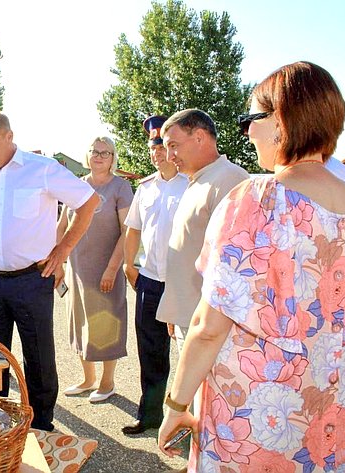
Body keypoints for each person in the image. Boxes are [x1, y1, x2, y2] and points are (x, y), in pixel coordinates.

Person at [158, 61, 345, 472]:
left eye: (253, 118)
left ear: (281, 120)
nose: (247, 130)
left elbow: (209, 326)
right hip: (339, 416)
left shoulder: (259, 199)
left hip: (259, 422)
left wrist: (176, 404)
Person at [0, 110, 99, 431]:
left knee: (38, 356)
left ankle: (41, 423)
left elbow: (87, 202)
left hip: (32, 280)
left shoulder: (41, 169)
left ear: (9, 136)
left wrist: (63, 249)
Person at [155, 109, 249, 352]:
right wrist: (174, 308)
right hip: (189, 315)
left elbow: (234, 263)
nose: (169, 155)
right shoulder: (199, 180)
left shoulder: (229, 180)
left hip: (209, 323)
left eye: (173, 145)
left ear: (199, 137)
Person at [121, 116, 189, 435]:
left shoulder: (192, 184)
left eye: (163, 144)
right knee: (151, 352)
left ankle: (190, 422)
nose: (157, 151)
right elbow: (133, 229)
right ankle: (150, 416)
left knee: (188, 353)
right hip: (149, 281)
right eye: (153, 145)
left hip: (184, 284)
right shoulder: (145, 188)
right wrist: (128, 264)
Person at [57, 136, 133, 403]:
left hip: (106, 269)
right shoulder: (76, 187)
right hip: (76, 270)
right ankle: (88, 379)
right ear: (87, 155)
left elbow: (127, 232)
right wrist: (56, 262)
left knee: (106, 323)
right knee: (79, 323)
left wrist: (113, 269)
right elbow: (62, 226)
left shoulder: (121, 187)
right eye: (95, 151)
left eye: (106, 152)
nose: (99, 156)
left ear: (113, 158)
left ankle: (107, 381)